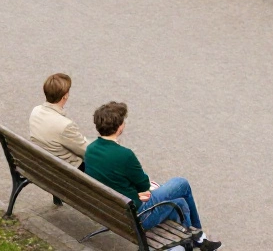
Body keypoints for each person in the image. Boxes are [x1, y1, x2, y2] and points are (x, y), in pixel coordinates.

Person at [84, 102, 222, 250]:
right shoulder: (124, 155)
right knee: (181, 184)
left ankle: (193, 241)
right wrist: (140, 193)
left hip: (110, 210)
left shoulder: (90, 149)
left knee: (180, 203)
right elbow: (144, 185)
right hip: (137, 216)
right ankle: (199, 237)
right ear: (120, 127)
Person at [30, 73, 89, 168]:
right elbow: (87, 151)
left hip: (43, 166)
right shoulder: (65, 126)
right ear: (65, 96)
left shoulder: (35, 111)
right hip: (68, 172)